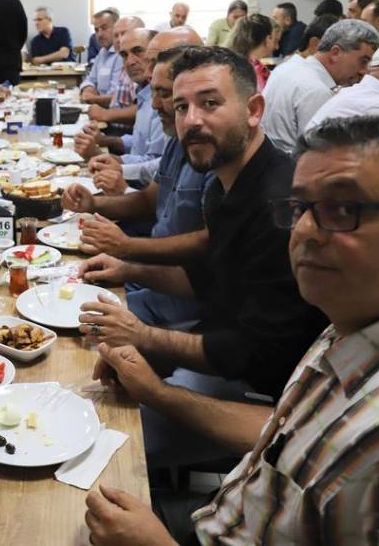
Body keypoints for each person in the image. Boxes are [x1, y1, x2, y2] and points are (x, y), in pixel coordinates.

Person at [84, 116, 379, 545]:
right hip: (228, 511)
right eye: (299, 209)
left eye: (344, 210)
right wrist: (154, 388)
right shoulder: (361, 317)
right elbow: (292, 437)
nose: (306, 232)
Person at [76, 46, 328, 469]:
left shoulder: (281, 207)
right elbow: (206, 281)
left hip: (259, 393)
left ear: (253, 109)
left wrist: (144, 336)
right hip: (219, 349)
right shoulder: (223, 184)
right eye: (181, 107)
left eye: (210, 103)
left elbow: (253, 353)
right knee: (86, 367)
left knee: (102, 439)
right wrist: (129, 270)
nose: (192, 120)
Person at [64, 32, 210, 331]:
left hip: (183, 305)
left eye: (165, 94)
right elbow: (149, 199)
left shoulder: (215, 152)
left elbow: (205, 255)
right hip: (152, 277)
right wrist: (94, 203)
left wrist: (126, 249)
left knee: (76, 320)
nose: (156, 104)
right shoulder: (178, 137)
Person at [262, 19, 379, 153]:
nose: (364, 71)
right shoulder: (317, 91)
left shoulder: (289, 66)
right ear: (336, 53)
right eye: (363, 61)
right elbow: (320, 153)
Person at [75, 28, 165, 186]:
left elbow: (156, 166)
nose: (130, 61)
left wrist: (99, 155)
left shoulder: (163, 101)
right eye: (124, 55)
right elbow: (139, 143)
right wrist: (103, 140)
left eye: (138, 51)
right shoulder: (144, 91)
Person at [81, 14, 142, 117]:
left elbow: (143, 109)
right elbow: (90, 79)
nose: (119, 40)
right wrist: (88, 91)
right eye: (116, 35)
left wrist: (101, 111)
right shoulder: (103, 52)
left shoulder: (139, 65)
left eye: (123, 34)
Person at [226, 13, 274, 91]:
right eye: (274, 39)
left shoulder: (232, 64)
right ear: (267, 40)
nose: (277, 46)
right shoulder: (257, 73)